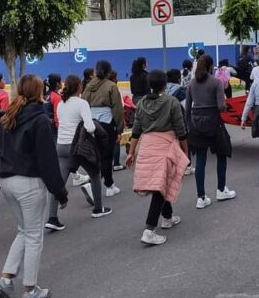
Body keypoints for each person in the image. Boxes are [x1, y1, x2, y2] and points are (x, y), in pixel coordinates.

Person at [0, 74, 68, 298]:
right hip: (28, 183)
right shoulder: (40, 120)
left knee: (24, 230)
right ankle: (30, 289)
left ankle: (6, 279)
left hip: (7, 181)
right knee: (35, 235)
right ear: (39, 92)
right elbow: (48, 161)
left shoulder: (7, 118)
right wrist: (60, 191)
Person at [126, 70, 190, 245]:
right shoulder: (171, 102)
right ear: (165, 84)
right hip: (165, 146)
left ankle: (167, 217)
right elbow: (181, 129)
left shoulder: (141, 103)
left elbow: (136, 130)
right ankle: (149, 230)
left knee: (162, 182)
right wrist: (185, 150)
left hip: (147, 147)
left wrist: (132, 152)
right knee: (160, 186)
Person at [53, 75, 111, 230]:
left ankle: (52, 217)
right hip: (78, 146)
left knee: (59, 182)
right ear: (79, 87)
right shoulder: (82, 103)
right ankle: (98, 208)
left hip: (61, 145)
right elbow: (90, 127)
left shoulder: (61, 104)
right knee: (95, 173)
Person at [186, 54, 236, 208]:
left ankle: (201, 197)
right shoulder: (216, 82)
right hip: (214, 123)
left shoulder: (191, 84)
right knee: (222, 153)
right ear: (210, 67)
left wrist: (189, 127)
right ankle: (221, 190)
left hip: (196, 124)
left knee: (200, 159)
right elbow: (221, 106)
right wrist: (225, 106)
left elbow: (187, 108)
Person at [82, 60, 124, 196]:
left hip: (92, 122)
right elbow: (117, 109)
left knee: (97, 155)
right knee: (107, 156)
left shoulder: (88, 86)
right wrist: (119, 128)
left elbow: (84, 104)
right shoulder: (111, 86)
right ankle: (107, 185)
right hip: (107, 122)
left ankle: (100, 183)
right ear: (109, 72)